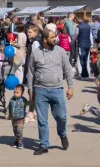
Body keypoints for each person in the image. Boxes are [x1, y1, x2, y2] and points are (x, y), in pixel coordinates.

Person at [26, 27, 74, 155]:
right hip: (40, 90)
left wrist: (70, 86)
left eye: (55, 37)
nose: (55, 39)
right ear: (45, 40)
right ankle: (44, 144)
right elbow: (30, 72)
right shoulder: (35, 52)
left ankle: (62, 134)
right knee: (42, 120)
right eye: (52, 37)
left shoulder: (60, 51)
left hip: (57, 89)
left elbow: (68, 69)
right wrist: (30, 90)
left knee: (61, 117)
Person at [7, 84, 28, 148]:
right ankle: (16, 140)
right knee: (15, 130)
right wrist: (7, 114)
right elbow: (8, 107)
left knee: (19, 130)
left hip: (20, 118)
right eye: (14, 92)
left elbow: (30, 103)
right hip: (13, 118)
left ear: (22, 93)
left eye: (17, 92)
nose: (15, 94)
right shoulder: (11, 99)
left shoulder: (23, 100)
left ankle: (20, 142)